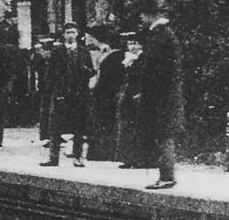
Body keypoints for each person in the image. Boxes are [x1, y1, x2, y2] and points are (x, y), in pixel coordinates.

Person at [136, 0, 184, 190]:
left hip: (162, 97)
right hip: (164, 95)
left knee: (164, 134)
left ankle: (167, 176)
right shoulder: (164, 34)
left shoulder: (160, 36)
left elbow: (157, 69)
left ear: (150, 14)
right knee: (163, 134)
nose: (140, 18)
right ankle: (165, 175)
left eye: (142, 14)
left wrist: (146, 92)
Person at [40, 22, 95, 167]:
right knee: (55, 127)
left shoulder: (84, 52)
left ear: (77, 34)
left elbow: (92, 71)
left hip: (79, 94)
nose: (70, 35)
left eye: (73, 32)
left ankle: (78, 157)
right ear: (63, 35)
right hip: (61, 93)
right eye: (67, 32)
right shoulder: (57, 52)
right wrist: (53, 92)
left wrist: (85, 71)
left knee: (79, 128)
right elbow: (50, 74)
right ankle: (53, 158)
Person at [87, 28, 126, 162]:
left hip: (107, 94)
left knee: (106, 124)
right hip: (103, 94)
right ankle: (101, 153)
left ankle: (105, 153)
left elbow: (108, 77)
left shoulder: (115, 56)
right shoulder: (106, 55)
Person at [116, 31, 152, 168]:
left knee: (139, 127)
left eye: (135, 43)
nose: (132, 46)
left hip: (139, 95)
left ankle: (142, 159)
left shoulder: (143, 58)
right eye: (129, 43)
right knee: (126, 127)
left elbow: (143, 76)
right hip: (127, 96)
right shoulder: (126, 58)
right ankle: (128, 158)